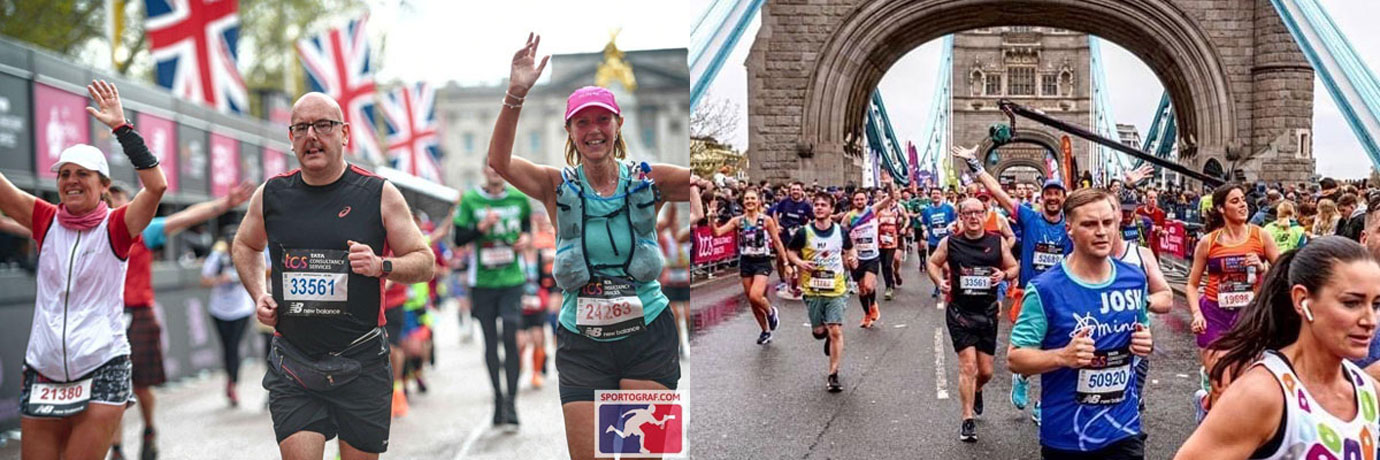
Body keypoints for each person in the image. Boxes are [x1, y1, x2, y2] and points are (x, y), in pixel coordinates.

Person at [486, 34, 690, 460]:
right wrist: (516, 93)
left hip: (647, 333)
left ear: (617, 126)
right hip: (583, 339)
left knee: (638, 456)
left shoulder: (649, 179)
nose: (593, 130)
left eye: (602, 120)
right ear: (570, 131)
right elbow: (499, 163)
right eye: (582, 122)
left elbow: (703, 184)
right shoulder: (555, 184)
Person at [232, 91, 434, 460]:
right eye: (301, 128)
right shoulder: (272, 195)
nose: (312, 136)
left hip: (361, 361)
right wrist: (259, 293)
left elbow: (424, 261)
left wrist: (381, 265)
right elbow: (245, 245)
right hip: (295, 363)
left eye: (323, 125)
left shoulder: (378, 193)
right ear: (291, 139)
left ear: (344, 134)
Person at [2, 80, 167, 460]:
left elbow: (156, 186)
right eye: (64, 174)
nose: (72, 181)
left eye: (83, 174)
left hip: (102, 365)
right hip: (42, 369)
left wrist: (122, 129)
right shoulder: (45, 219)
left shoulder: (117, 225)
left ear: (103, 184)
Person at [1176, 236, 1380, 460]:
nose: (1370, 320)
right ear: (1302, 300)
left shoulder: (1369, 392)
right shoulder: (1263, 394)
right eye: (1351, 303)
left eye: (1377, 304)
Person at [107, 178, 253, 460]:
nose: (113, 204)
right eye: (108, 199)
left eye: (119, 199)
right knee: (113, 387)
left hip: (138, 314)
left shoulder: (144, 231)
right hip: (106, 318)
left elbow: (185, 217)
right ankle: (116, 448)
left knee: (140, 386)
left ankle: (149, 429)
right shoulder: (97, 232)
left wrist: (225, 204)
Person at [1008, 188, 1153, 459]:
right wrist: (1062, 356)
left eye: (1107, 223)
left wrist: (1145, 341)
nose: (1101, 232)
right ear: (1069, 229)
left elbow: (1141, 330)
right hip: (1068, 435)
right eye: (1089, 224)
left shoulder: (1134, 278)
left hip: (1123, 427)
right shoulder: (1045, 289)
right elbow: (1015, 359)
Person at [954, 144, 1071, 425]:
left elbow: (1103, 212)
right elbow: (998, 193)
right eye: (1049, 194)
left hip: (1062, 295)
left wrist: (1124, 189)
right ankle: (1022, 376)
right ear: (1042, 199)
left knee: (1055, 351)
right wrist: (975, 165)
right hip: (1030, 294)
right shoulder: (1029, 218)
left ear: (1064, 199)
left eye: (1057, 194)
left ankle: (1043, 404)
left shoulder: (1072, 224)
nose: (1053, 198)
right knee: (1028, 349)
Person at [1185, 182, 1281, 423]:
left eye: (1243, 200)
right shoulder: (1209, 242)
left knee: (1244, 384)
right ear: (1220, 208)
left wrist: (1262, 267)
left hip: (1248, 317)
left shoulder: (1261, 236)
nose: (1242, 205)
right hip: (1214, 315)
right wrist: (1197, 314)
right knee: (1220, 385)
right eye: (1235, 201)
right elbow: (1192, 284)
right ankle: (1218, 433)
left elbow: (1283, 275)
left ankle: (1221, 416)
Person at [926, 198, 1018, 442]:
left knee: (986, 372)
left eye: (978, 213)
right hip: (960, 312)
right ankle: (967, 420)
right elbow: (932, 262)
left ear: (985, 214)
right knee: (968, 366)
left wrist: (1005, 274)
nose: (974, 217)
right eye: (968, 213)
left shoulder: (996, 241)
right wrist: (939, 281)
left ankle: (977, 389)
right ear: (961, 217)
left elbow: (1014, 266)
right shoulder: (951, 242)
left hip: (987, 312)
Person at [453, 165, 533, 430]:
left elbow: (526, 231)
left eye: (500, 166)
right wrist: (481, 226)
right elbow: (458, 237)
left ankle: (512, 402)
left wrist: (524, 240)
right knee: (490, 341)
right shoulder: (471, 200)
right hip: (483, 282)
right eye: (490, 166)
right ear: (484, 170)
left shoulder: (519, 199)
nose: (495, 171)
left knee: (511, 333)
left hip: (512, 279)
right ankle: (498, 400)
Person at [787, 191, 858, 392]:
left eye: (823, 205)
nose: (819, 207)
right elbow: (790, 251)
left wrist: (853, 258)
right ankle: (824, 334)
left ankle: (833, 374)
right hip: (813, 289)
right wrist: (800, 262)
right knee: (819, 332)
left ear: (831, 209)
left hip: (836, 288)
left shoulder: (840, 232)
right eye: (816, 204)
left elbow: (850, 249)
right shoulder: (804, 232)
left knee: (836, 329)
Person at [710, 187, 788, 344]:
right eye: (747, 199)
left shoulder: (766, 220)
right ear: (743, 202)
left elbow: (777, 242)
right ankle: (765, 331)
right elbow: (717, 233)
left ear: (758, 201)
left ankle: (771, 311)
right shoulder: (737, 221)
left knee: (755, 295)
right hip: (746, 261)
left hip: (762, 261)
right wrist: (712, 219)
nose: (750, 201)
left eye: (753, 198)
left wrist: (785, 262)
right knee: (752, 301)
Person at [201, 230, 256, 409]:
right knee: (226, 348)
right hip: (219, 310)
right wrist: (220, 279)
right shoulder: (217, 257)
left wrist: (236, 276)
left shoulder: (246, 254)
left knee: (234, 346)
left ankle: (233, 384)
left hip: (241, 309)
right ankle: (229, 378)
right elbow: (204, 280)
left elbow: (258, 273)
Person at [840, 189, 893, 328]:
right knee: (862, 289)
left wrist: (889, 184)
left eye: (861, 199)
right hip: (857, 257)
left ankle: (873, 305)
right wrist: (846, 254)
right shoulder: (849, 217)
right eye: (856, 199)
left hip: (872, 256)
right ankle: (867, 314)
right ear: (853, 201)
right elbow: (841, 235)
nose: (859, 202)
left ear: (866, 199)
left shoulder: (872, 211)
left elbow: (891, 197)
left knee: (869, 286)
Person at [769, 182, 813, 299]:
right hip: (785, 234)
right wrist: (777, 225)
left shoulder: (806, 205)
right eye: (793, 190)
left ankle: (799, 285)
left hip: (798, 236)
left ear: (801, 191)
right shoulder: (784, 202)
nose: (795, 192)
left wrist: (806, 228)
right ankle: (784, 282)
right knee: (780, 258)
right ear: (790, 191)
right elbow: (775, 213)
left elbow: (812, 218)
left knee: (799, 260)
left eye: (797, 190)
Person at [920, 187, 957, 303]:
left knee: (946, 267)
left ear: (941, 195)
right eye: (933, 194)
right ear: (931, 196)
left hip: (946, 241)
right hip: (933, 242)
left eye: (937, 193)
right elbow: (924, 223)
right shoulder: (927, 210)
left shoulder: (949, 209)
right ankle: (938, 285)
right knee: (935, 265)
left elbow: (955, 221)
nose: (935, 195)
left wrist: (952, 225)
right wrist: (924, 230)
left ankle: (945, 283)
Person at [878, 187, 908, 300]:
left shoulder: (898, 209)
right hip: (881, 242)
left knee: (889, 263)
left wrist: (904, 227)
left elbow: (906, 218)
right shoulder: (878, 212)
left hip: (893, 241)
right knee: (885, 265)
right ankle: (889, 281)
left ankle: (889, 286)